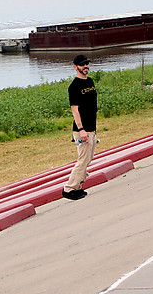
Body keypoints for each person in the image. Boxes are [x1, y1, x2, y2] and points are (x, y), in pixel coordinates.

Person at [63, 53, 97, 200]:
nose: (86, 66)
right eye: (82, 64)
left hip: (91, 127)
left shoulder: (90, 81)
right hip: (82, 130)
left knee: (88, 158)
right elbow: (75, 110)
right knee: (83, 159)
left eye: (87, 64)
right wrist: (81, 129)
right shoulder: (74, 86)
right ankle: (69, 189)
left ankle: (78, 187)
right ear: (75, 67)